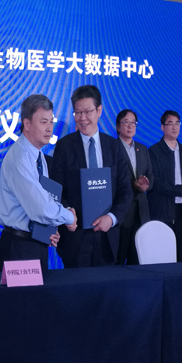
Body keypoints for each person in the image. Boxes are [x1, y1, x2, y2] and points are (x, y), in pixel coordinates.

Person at [50, 85, 132, 268]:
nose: (82, 118)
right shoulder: (64, 147)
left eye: (87, 112)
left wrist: (111, 218)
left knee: (105, 286)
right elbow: (56, 189)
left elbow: (125, 191)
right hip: (75, 238)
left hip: (107, 239)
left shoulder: (114, 147)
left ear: (99, 110)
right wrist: (67, 212)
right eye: (78, 112)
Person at [0, 94, 76, 271]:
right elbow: (40, 208)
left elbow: (42, 201)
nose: (49, 128)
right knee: (24, 292)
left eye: (51, 122)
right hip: (19, 248)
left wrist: (49, 230)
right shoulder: (21, 158)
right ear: (27, 124)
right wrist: (69, 217)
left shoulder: (38, 155)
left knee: (39, 290)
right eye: (43, 122)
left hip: (35, 243)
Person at [148, 111, 182, 262]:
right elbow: (155, 181)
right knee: (162, 252)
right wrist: (180, 189)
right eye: (170, 123)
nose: (174, 127)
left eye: (177, 123)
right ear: (162, 127)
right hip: (162, 209)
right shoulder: (154, 151)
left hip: (181, 209)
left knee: (179, 250)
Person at [115, 109, 154, 265]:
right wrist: (134, 185)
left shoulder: (143, 149)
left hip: (141, 213)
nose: (130, 126)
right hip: (121, 213)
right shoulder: (112, 147)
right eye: (126, 122)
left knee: (137, 260)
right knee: (118, 259)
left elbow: (151, 175)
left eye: (133, 122)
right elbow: (112, 177)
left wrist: (146, 186)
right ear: (118, 126)